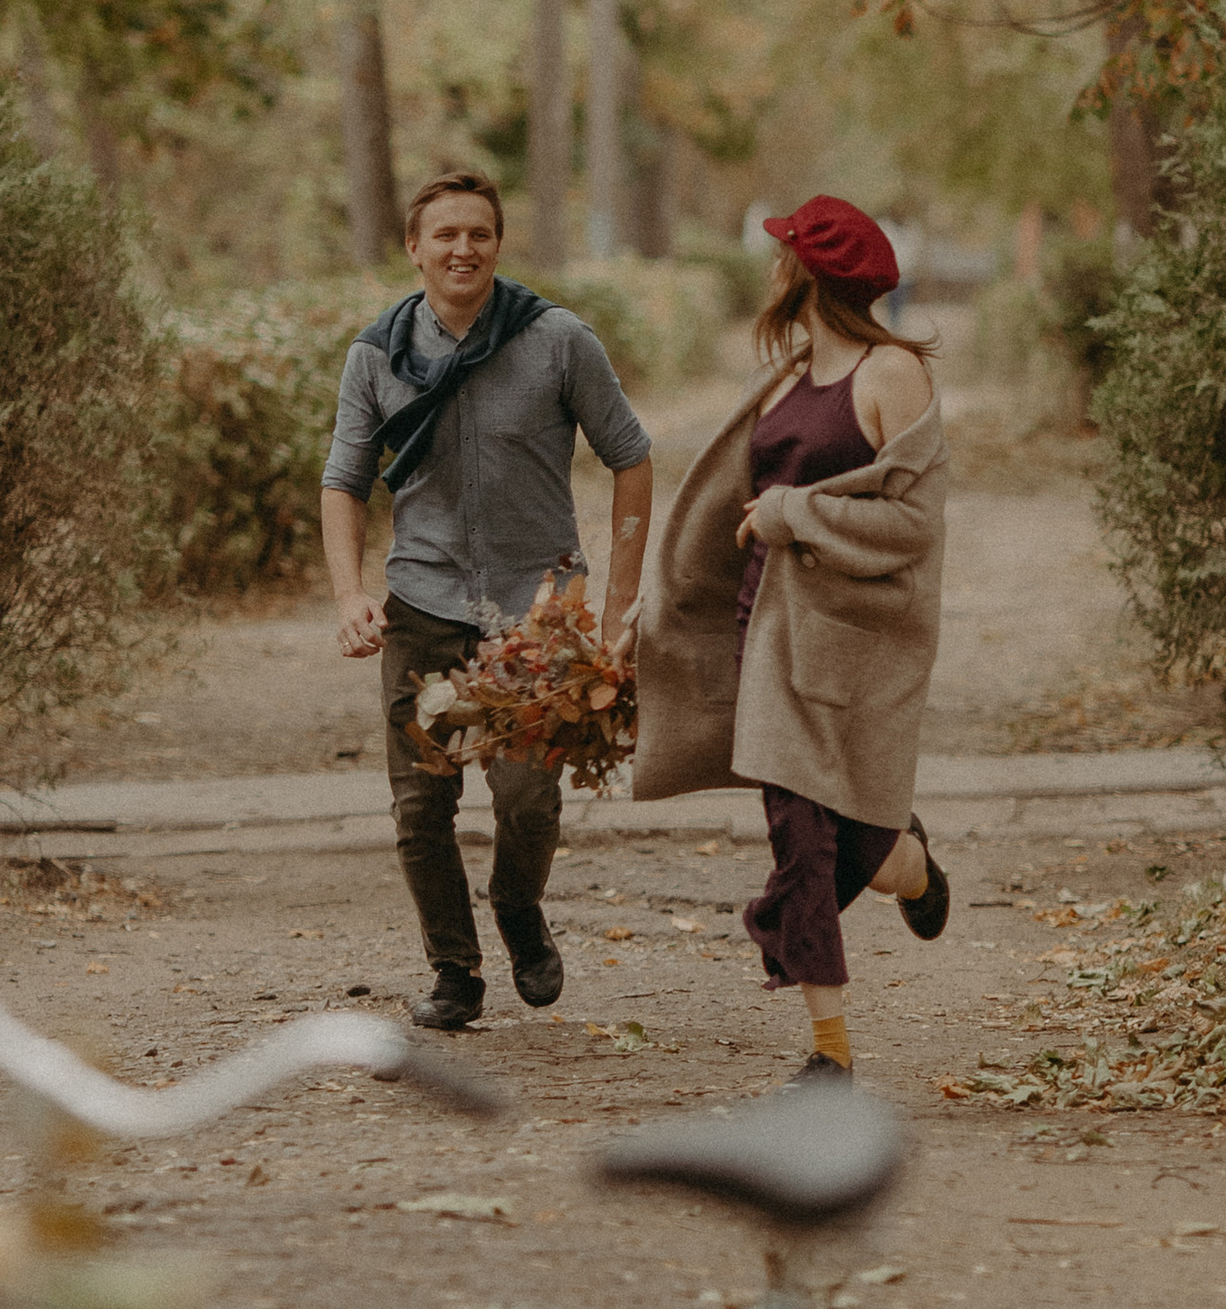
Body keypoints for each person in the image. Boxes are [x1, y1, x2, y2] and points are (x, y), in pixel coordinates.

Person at [321, 168, 653, 1033]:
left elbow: (631, 457)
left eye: (479, 233)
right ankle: (454, 973)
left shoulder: (557, 340)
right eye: (445, 235)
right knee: (420, 806)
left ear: (498, 244)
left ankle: (516, 906)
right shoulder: (375, 355)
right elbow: (343, 482)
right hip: (422, 605)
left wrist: (615, 605)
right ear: (414, 248)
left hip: (536, 613)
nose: (462, 248)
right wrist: (350, 592)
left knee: (526, 801)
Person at [632, 194, 949, 1086]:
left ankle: (909, 862)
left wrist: (794, 512)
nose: (774, 266)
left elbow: (913, 524)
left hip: (856, 641)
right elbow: (723, 509)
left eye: (785, 254)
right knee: (797, 841)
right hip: (763, 635)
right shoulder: (783, 377)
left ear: (810, 273)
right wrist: (654, 606)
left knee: (865, 855)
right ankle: (831, 1056)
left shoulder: (892, 377)